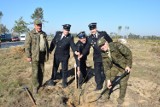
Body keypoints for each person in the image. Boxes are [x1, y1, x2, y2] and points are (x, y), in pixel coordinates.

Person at [97, 37, 132, 105]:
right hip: (115, 66)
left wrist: (128, 65)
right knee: (108, 80)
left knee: (123, 83)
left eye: (103, 44)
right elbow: (106, 68)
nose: (102, 47)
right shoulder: (103, 53)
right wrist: (108, 80)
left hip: (125, 67)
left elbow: (128, 53)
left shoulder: (116, 46)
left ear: (106, 42)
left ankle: (121, 99)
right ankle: (105, 96)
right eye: (100, 46)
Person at [78, 23, 113, 90]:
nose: (92, 30)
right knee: (97, 72)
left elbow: (111, 41)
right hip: (97, 57)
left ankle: (108, 84)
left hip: (105, 56)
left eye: (93, 29)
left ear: (96, 28)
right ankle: (99, 86)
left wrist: (108, 47)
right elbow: (86, 48)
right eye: (91, 29)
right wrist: (82, 55)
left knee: (106, 70)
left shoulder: (103, 34)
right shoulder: (89, 38)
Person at [25, 19, 49, 94]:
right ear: (34, 25)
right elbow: (27, 45)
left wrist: (48, 51)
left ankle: (40, 84)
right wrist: (28, 56)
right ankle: (35, 87)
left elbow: (46, 44)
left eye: (40, 25)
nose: (39, 27)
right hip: (35, 56)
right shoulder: (30, 34)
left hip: (42, 55)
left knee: (41, 71)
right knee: (35, 72)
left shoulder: (44, 33)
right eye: (38, 25)